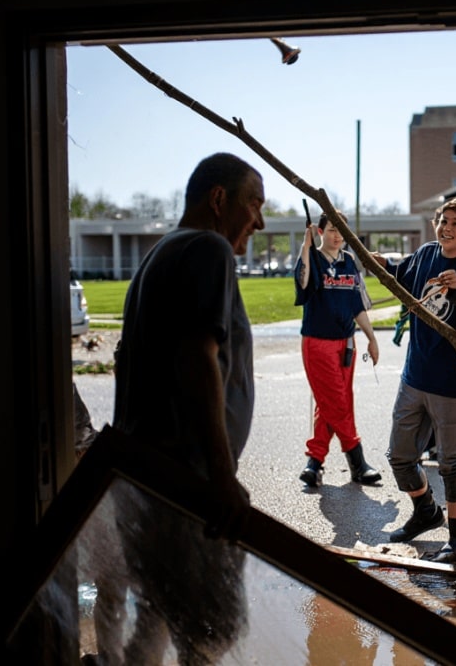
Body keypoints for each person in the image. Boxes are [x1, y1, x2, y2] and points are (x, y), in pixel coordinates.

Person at [111, 152, 264, 664]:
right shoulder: (207, 248)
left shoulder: (160, 254)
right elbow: (198, 356)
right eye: (253, 203)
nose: (259, 221)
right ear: (218, 199)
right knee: (204, 639)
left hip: (150, 487)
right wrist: (220, 477)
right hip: (188, 488)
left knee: (153, 621)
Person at [370, 197, 456, 564]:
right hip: (415, 376)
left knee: (452, 465)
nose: (447, 227)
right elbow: (399, 275)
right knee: (401, 457)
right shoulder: (425, 254)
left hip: (454, 384)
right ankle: (426, 511)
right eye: (443, 220)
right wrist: (381, 264)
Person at [294, 212, 382, 487]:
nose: (337, 235)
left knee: (333, 401)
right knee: (337, 402)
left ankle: (315, 461)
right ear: (320, 231)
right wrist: (305, 247)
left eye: (341, 230)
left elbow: (357, 305)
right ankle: (357, 460)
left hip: (346, 344)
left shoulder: (349, 262)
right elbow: (303, 282)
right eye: (331, 229)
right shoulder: (313, 258)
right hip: (317, 343)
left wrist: (371, 337)